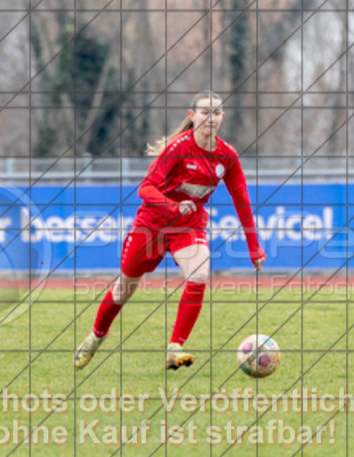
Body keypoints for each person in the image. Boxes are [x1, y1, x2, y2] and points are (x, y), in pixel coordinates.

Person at [75, 91, 266, 371]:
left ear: (222, 117)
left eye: (216, 113)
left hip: (188, 227)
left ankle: (175, 348)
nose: (210, 118)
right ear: (192, 116)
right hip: (151, 224)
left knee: (200, 273)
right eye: (204, 112)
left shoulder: (227, 156)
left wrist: (254, 246)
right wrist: (173, 207)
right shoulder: (178, 147)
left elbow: (242, 198)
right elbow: (145, 189)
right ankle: (95, 338)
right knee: (123, 291)